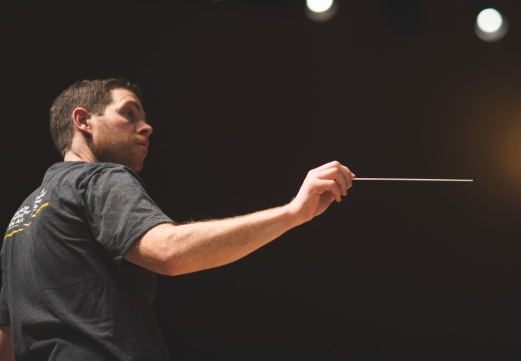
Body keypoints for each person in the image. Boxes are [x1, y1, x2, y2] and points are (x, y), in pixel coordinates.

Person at [0, 79, 354, 361]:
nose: (147, 127)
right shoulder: (99, 178)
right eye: (129, 114)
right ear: (83, 121)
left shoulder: (21, 220)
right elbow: (168, 253)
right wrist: (293, 212)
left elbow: (6, 339)